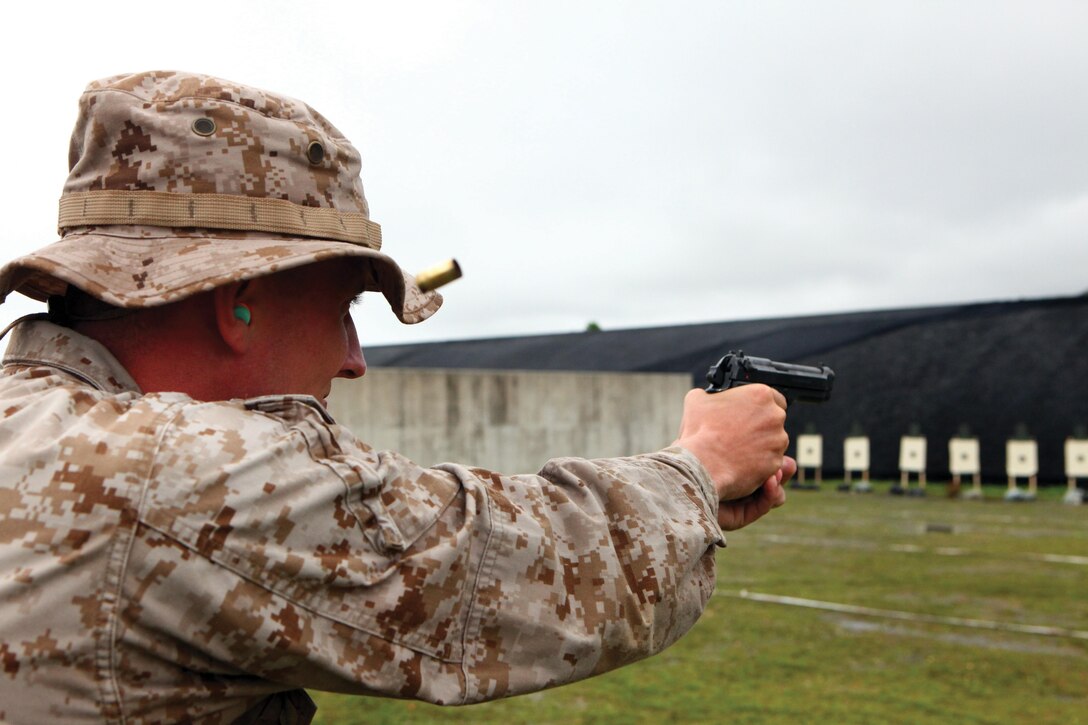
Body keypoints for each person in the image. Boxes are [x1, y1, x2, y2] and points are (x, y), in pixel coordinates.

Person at [0, 71, 793, 723]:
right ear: (235, 298)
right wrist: (701, 465)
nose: (354, 358)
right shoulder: (167, 471)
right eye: (343, 306)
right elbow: (498, 564)